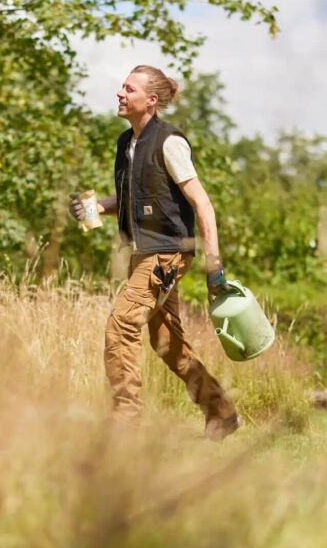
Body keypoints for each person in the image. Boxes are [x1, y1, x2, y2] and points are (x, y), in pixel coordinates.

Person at [69, 65, 240, 441]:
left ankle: (125, 423)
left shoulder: (169, 143)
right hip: (142, 253)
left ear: (150, 100)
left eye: (128, 89)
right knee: (167, 343)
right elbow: (134, 198)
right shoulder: (125, 142)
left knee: (121, 324)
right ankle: (221, 411)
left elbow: (203, 205)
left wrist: (215, 268)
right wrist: (98, 206)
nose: (119, 93)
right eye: (121, 87)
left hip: (167, 253)